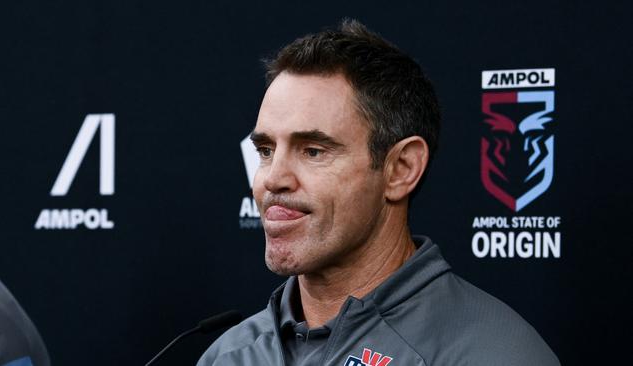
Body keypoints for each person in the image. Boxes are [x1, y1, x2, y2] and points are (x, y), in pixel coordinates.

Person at [197, 19, 559, 366]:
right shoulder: (227, 354)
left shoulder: (494, 355)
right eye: (265, 151)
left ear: (401, 170)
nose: (273, 179)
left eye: (313, 151)